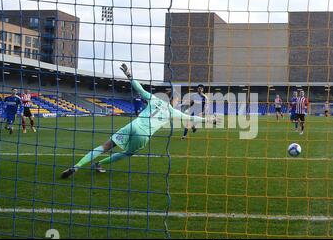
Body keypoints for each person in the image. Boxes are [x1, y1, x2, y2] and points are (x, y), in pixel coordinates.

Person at [61, 64, 217, 179]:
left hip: (133, 125)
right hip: (143, 135)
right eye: (177, 99)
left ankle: (77, 166)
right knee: (128, 153)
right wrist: (208, 119)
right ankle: (100, 164)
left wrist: (129, 75)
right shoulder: (172, 111)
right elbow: (191, 118)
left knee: (104, 146)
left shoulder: (155, 99)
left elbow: (140, 90)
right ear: (174, 101)